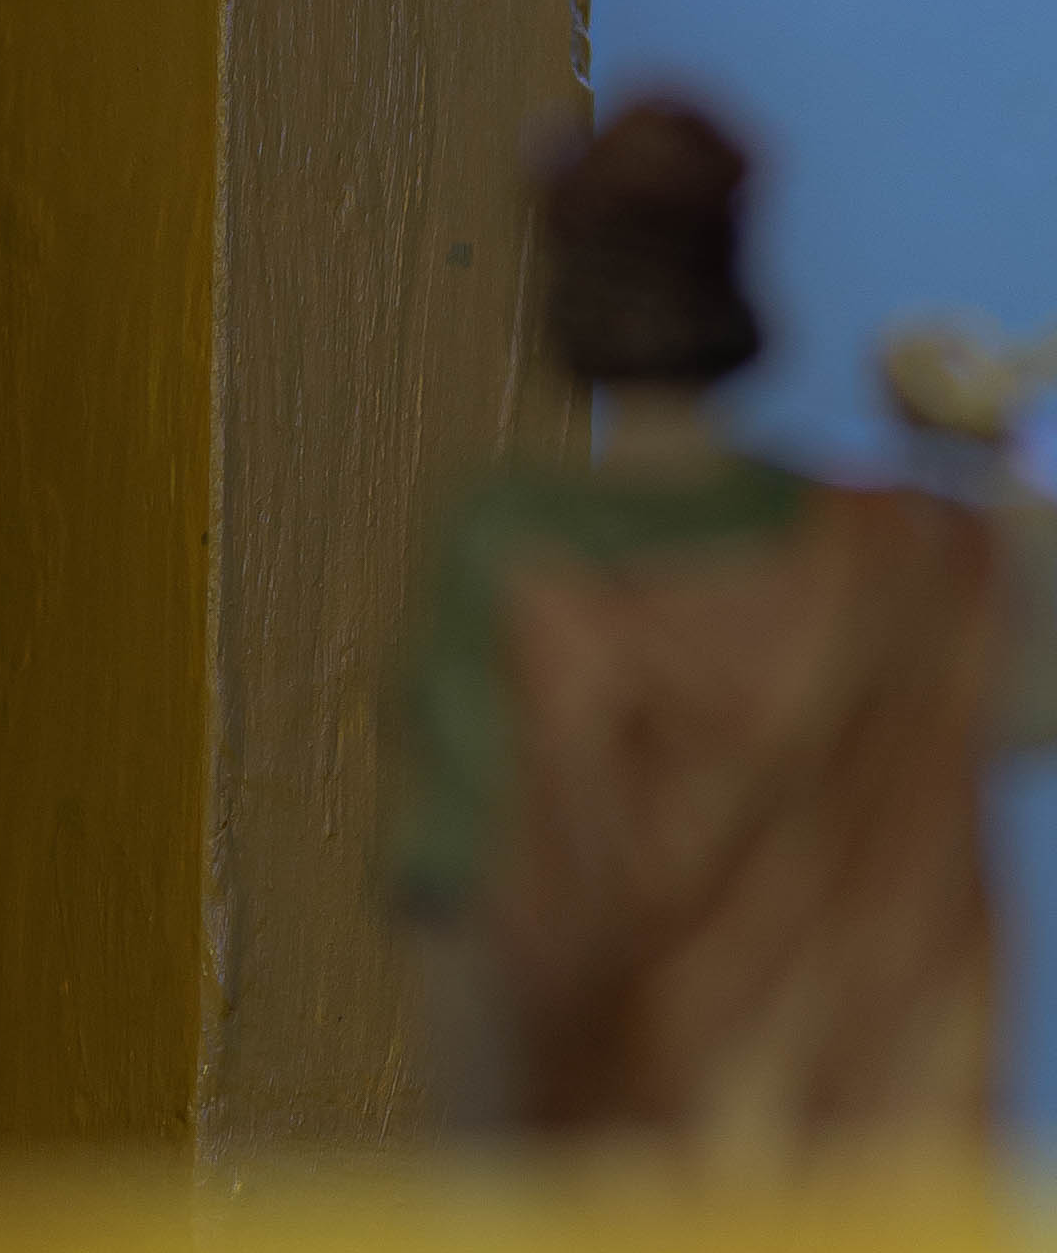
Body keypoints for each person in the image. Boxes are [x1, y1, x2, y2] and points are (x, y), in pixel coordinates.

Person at [388, 96, 1057, 1150]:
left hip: (624, 1191)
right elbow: (1032, 685)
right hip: (849, 1192)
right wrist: (996, 452)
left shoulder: (517, 560)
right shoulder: (889, 555)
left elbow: (466, 911)